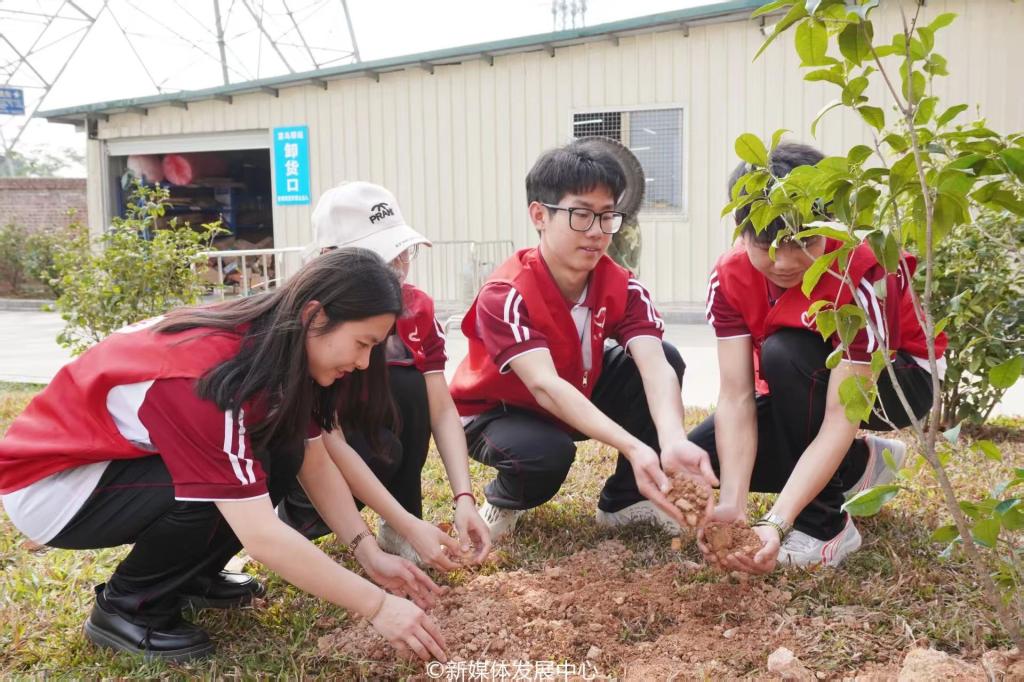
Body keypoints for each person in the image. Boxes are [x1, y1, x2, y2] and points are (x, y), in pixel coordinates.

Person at [0, 248, 448, 663]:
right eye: (363, 343)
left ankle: (192, 578)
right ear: (316, 316)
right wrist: (378, 606)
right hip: (55, 487)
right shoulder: (205, 376)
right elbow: (262, 536)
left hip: (116, 465)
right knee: (219, 488)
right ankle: (127, 608)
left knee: (279, 451)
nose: (366, 363)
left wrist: (368, 553)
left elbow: (313, 459)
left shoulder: (272, 344)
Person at [692, 142, 947, 571]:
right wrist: (734, 503)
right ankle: (859, 464)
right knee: (708, 463)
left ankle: (826, 528)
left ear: (828, 222)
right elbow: (736, 396)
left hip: (900, 377)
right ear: (741, 230)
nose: (785, 260)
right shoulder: (729, 277)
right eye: (766, 243)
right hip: (803, 379)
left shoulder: (861, 271)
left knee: (786, 352)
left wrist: (776, 521)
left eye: (803, 240)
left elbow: (841, 414)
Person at [449, 141, 717, 542]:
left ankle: (625, 501)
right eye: (581, 215)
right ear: (539, 215)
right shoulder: (506, 293)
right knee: (547, 455)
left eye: (607, 216)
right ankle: (505, 499)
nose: (596, 232)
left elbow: (654, 364)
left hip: (574, 393)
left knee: (665, 354)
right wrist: (634, 446)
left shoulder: (622, 285)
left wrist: (672, 440)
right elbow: (543, 385)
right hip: (499, 411)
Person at [278, 181, 491, 569]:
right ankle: (295, 518)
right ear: (331, 258)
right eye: (380, 258)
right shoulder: (309, 323)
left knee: (410, 385)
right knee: (380, 451)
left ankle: (403, 518)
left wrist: (464, 497)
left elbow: (441, 410)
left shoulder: (416, 310)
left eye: (402, 254)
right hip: (321, 455)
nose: (395, 271)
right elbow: (328, 440)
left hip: (367, 441)